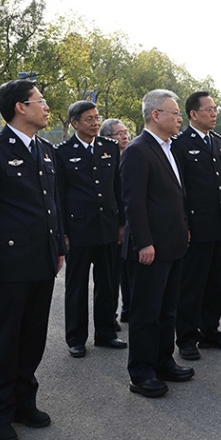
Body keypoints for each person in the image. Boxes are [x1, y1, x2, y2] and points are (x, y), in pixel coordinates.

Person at [0, 79, 66, 440]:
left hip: (41, 260)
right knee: (3, 342)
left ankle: (24, 402)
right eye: (40, 101)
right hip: (6, 264)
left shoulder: (46, 150)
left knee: (32, 338)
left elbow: (53, 203)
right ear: (20, 107)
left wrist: (59, 246)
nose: (46, 107)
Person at [120, 89, 192, 398]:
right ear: (155, 115)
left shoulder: (168, 148)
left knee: (167, 309)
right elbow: (133, 202)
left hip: (172, 244)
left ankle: (163, 360)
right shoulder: (138, 150)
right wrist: (144, 243)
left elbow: (173, 196)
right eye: (174, 113)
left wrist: (183, 229)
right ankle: (141, 372)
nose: (179, 119)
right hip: (150, 249)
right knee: (145, 312)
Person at [171, 91, 221, 361]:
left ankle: (210, 330)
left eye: (215, 109)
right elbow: (178, 190)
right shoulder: (180, 144)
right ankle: (187, 338)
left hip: (219, 223)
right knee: (192, 285)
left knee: (215, 283)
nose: (214, 113)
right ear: (193, 114)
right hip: (196, 226)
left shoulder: (218, 142)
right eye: (208, 109)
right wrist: (183, 224)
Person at [56, 102, 127, 359]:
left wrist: (122, 224)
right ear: (75, 123)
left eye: (97, 118)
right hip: (78, 229)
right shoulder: (62, 152)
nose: (95, 123)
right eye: (89, 119)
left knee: (107, 283)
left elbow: (118, 188)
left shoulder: (109, 147)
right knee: (76, 286)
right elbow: (59, 196)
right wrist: (63, 233)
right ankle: (76, 338)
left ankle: (106, 332)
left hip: (107, 226)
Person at [100, 118, 131, 325]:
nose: (125, 136)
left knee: (130, 270)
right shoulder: (106, 160)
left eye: (126, 132)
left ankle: (129, 308)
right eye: (119, 133)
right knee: (113, 273)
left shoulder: (133, 155)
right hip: (114, 224)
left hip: (132, 221)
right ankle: (109, 316)